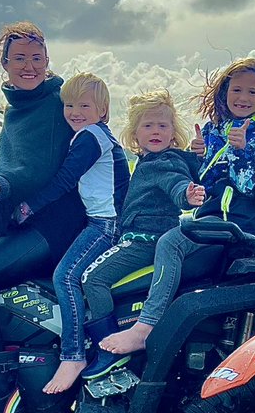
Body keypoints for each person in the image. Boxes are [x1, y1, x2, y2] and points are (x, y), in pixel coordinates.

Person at [0, 21, 86, 413]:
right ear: (5, 64)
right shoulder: (21, 103)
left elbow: (40, 167)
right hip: (31, 219)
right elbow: (22, 151)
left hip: (52, 223)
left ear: (47, 60)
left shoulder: (52, 102)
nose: (29, 66)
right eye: (20, 58)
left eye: (37, 58)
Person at [101, 57, 255, 357]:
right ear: (225, 92)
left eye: (253, 92)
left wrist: (241, 152)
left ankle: (146, 327)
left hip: (238, 223)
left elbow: (249, 186)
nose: (244, 98)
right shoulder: (214, 129)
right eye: (237, 90)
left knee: (170, 241)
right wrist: (199, 157)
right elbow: (206, 182)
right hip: (211, 217)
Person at [13, 73, 129, 397]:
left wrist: (27, 207)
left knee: (65, 277)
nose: (75, 112)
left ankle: (73, 355)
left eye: (84, 106)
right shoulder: (94, 134)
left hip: (106, 225)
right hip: (100, 220)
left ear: (102, 110)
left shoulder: (91, 136)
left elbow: (65, 179)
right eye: (69, 105)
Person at [80, 89, 205, 380]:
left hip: (144, 240)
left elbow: (175, 182)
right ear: (135, 133)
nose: (156, 131)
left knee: (92, 279)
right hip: (141, 236)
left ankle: (108, 349)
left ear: (173, 132)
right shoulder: (147, 161)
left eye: (163, 125)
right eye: (148, 125)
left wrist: (186, 195)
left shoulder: (162, 162)